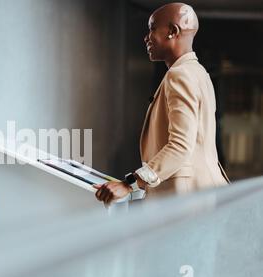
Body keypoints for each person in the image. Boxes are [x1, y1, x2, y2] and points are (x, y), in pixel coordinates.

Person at [95, 2, 229, 205]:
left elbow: (180, 146)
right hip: (202, 195)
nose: (146, 37)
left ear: (173, 31)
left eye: (152, 29)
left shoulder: (179, 75)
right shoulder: (199, 73)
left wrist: (130, 183)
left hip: (187, 200)